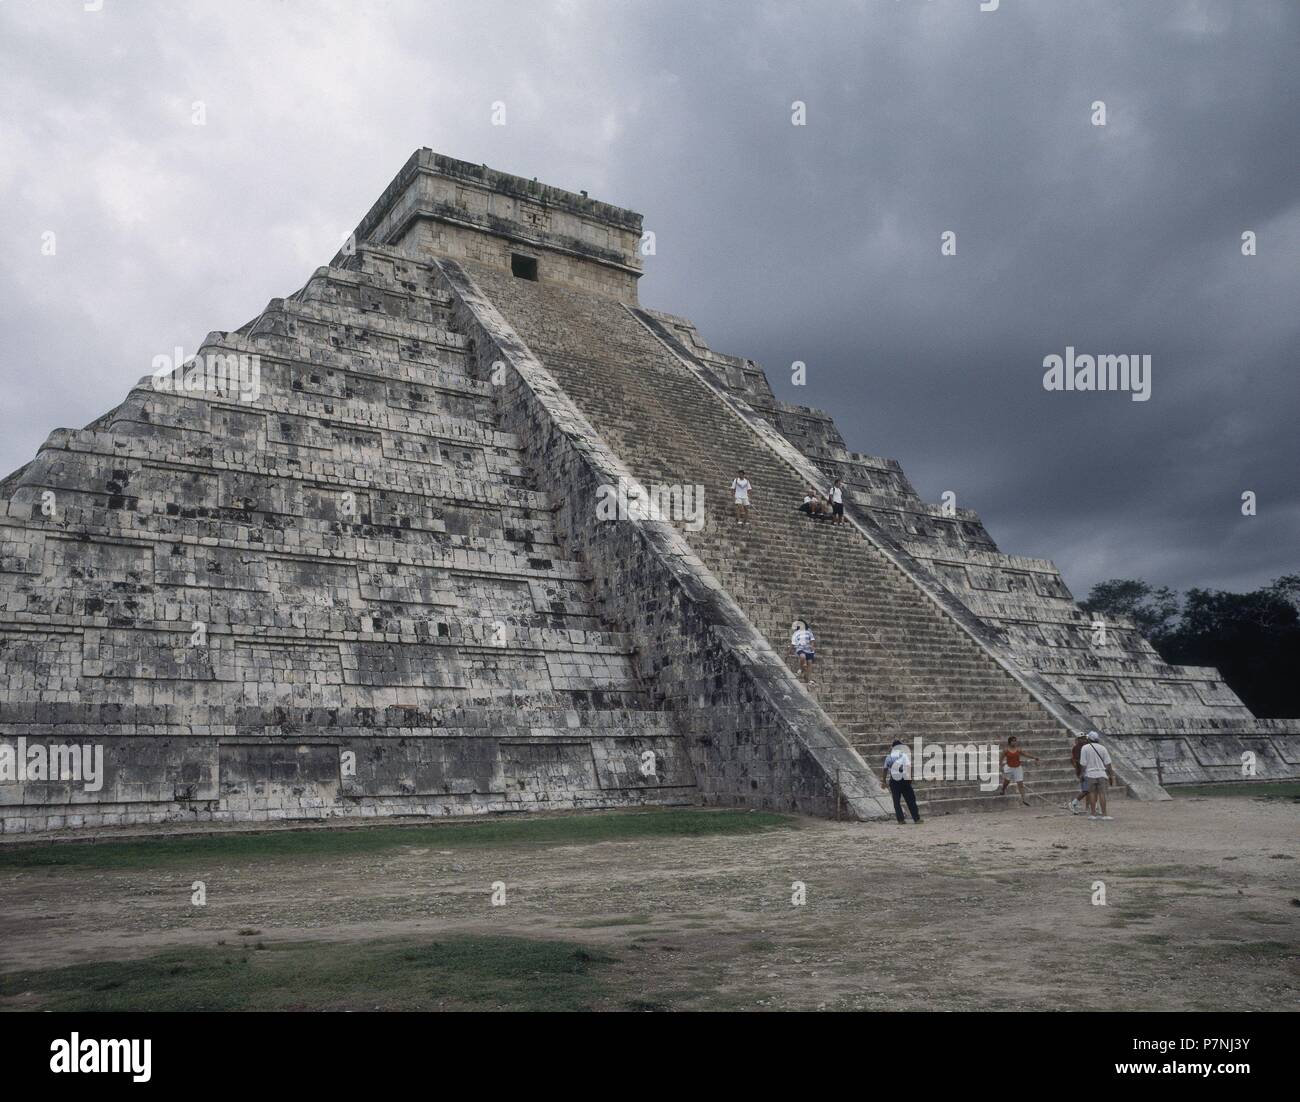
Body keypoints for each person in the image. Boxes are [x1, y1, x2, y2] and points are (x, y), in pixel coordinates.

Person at [882, 739, 921, 824]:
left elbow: (885, 770)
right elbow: (908, 767)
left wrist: (884, 781)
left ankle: (901, 820)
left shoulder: (888, 757)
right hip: (904, 779)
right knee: (910, 799)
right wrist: (910, 778)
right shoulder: (903, 755)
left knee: (896, 801)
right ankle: (916, 819)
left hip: (894, 781)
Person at [1079, 730, 1115, 820]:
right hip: (1102, 773)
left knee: (1092, 793)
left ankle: (1093, 814)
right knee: (1102, 794)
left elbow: (1083, 763)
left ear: (1089, 739)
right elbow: (1108, 763)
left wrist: (1082, 774)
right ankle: (1104, 814)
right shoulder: (1103, 748)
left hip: (1090, 774)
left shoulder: (1085, 748)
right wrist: (1111, 775)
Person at [995, 735, 1038, 805]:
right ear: (1010, 742)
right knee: (1007, 781)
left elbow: (1025, 754)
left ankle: (1024, 799)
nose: (1014, 743)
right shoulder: (1006, 750)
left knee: (1020, 784)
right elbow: (1001, 759)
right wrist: (1000, 767)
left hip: (1017, 768)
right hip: (1009, 767)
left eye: (1015, 741)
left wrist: (1034, 757)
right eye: (1013, 741)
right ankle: (1003, 789)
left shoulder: (1018, 749)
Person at [1068, 733, 1090, 814]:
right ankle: (1073, 803)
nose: (1084, 740)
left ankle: (1088, 806)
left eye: (1084, 738)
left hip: (1085, 770)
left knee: (1089, 790)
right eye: (1082, 738)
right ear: (1078, 739)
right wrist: (1080, 772)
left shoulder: (1085, 746)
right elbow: (1076, 760)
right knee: (1086, 790)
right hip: (1083, 771)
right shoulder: (1077, 748)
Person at [791, 620, 816, 685]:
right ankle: (801, 668)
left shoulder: (809, 631)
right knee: (802, 657)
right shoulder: (796, 633)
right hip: (800, 648)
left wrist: (812, 646)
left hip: (809, 650)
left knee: (810, 663)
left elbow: (812, 640)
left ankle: (808, 678)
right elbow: (794, 642)